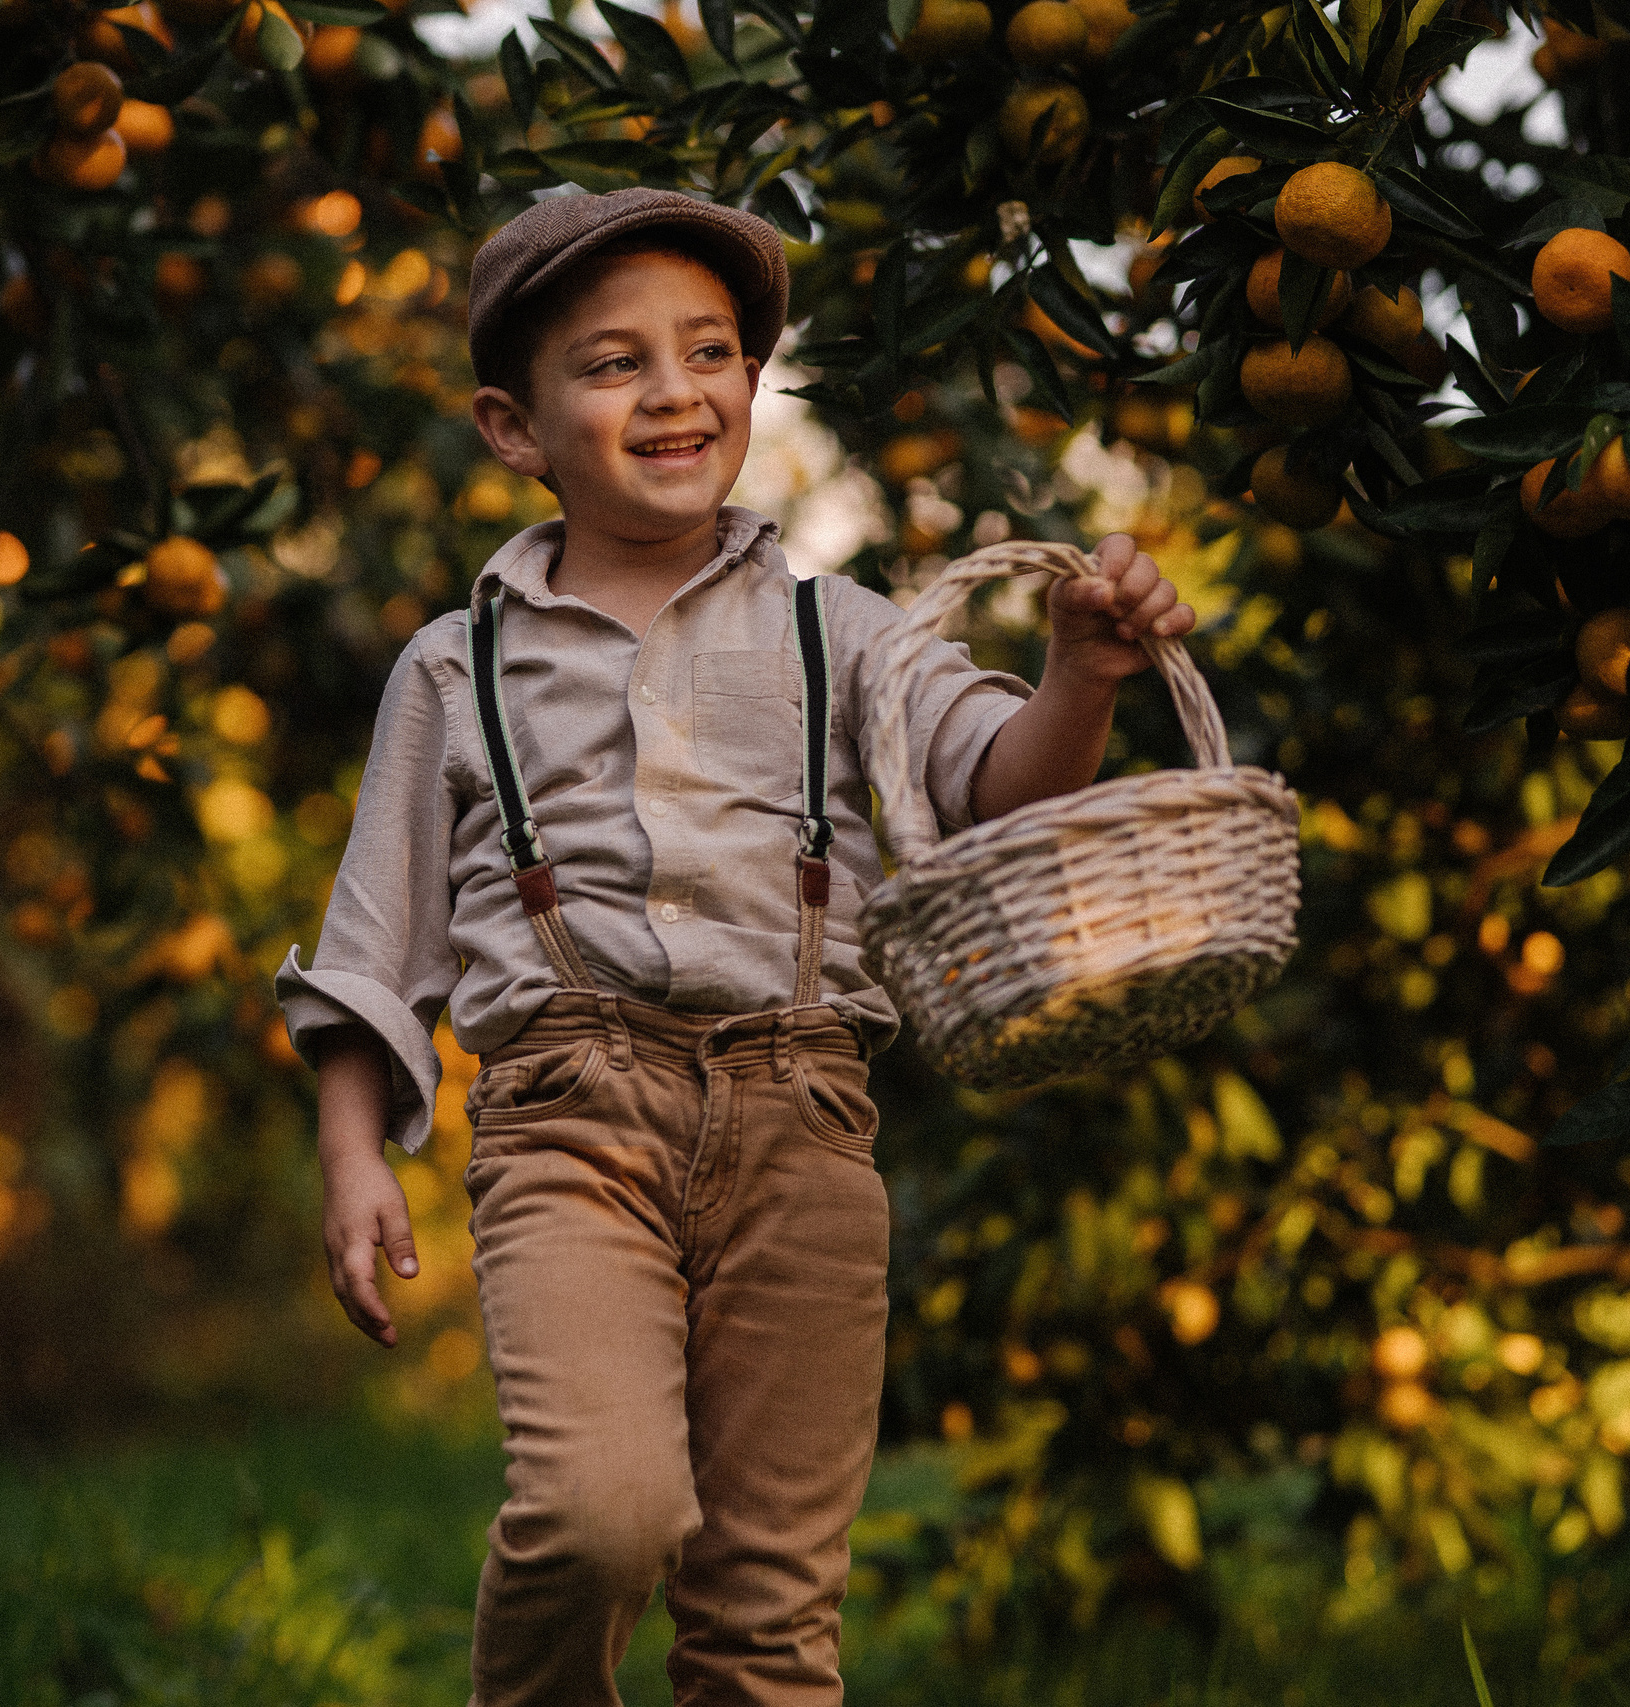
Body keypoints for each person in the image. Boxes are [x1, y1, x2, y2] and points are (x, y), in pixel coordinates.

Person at [274, 186, 1195, 1707]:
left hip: (805, 1121)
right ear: (515, 427)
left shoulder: (846, 629)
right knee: (601, 1514)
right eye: (614, 363)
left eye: (709, 352)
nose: (674, 392)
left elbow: (996, 786)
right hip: (572, 1126)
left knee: (769, 1609)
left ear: (753, 383)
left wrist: (1083, 676)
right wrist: (351, 1149)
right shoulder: (455, 666)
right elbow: (377, 937)